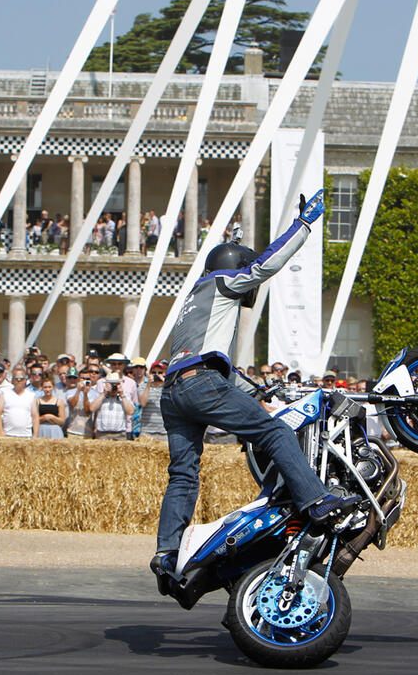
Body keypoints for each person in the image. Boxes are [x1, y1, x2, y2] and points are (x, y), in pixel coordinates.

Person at [151, 190, 353, 584]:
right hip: (201, 385)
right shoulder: (224, 281)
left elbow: (211, 362)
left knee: (183, 474)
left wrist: (258, 392)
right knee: (274, 433)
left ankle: (166, 551)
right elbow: (266, 265)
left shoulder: (193, 297)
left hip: (173, 392)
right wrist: (303, 226)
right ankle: (316, 500)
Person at [91, 371, 134, 440]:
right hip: (102, 434)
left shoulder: (125, 397)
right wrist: (104, 393)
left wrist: (122, 395)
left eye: (116, 384)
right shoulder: (100, 396)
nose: (114, 386)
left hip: (120, 435)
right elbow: (92, 409)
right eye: (111, 384)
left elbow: (130, 412)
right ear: (106, 384)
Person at [0, 365, 36, 437]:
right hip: (8, 434)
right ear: (12, 380)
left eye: (21, 378)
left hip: (26, 435)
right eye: (16, 378)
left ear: (25, 380)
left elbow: (35, 417)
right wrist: (0, 431)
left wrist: (35, 435)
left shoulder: (31, 396)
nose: (19, 380)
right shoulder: (4, 395)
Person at [139, 361, 167, 441]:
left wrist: (165, 384)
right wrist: (148, 385)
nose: (156, 375)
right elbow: (143, 403)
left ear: (164, 373)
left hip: (164, 431)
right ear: (149, 373)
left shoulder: (168, 387)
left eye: (160, 372)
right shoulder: (143, 386)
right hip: (147, 431)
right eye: (154, 372)